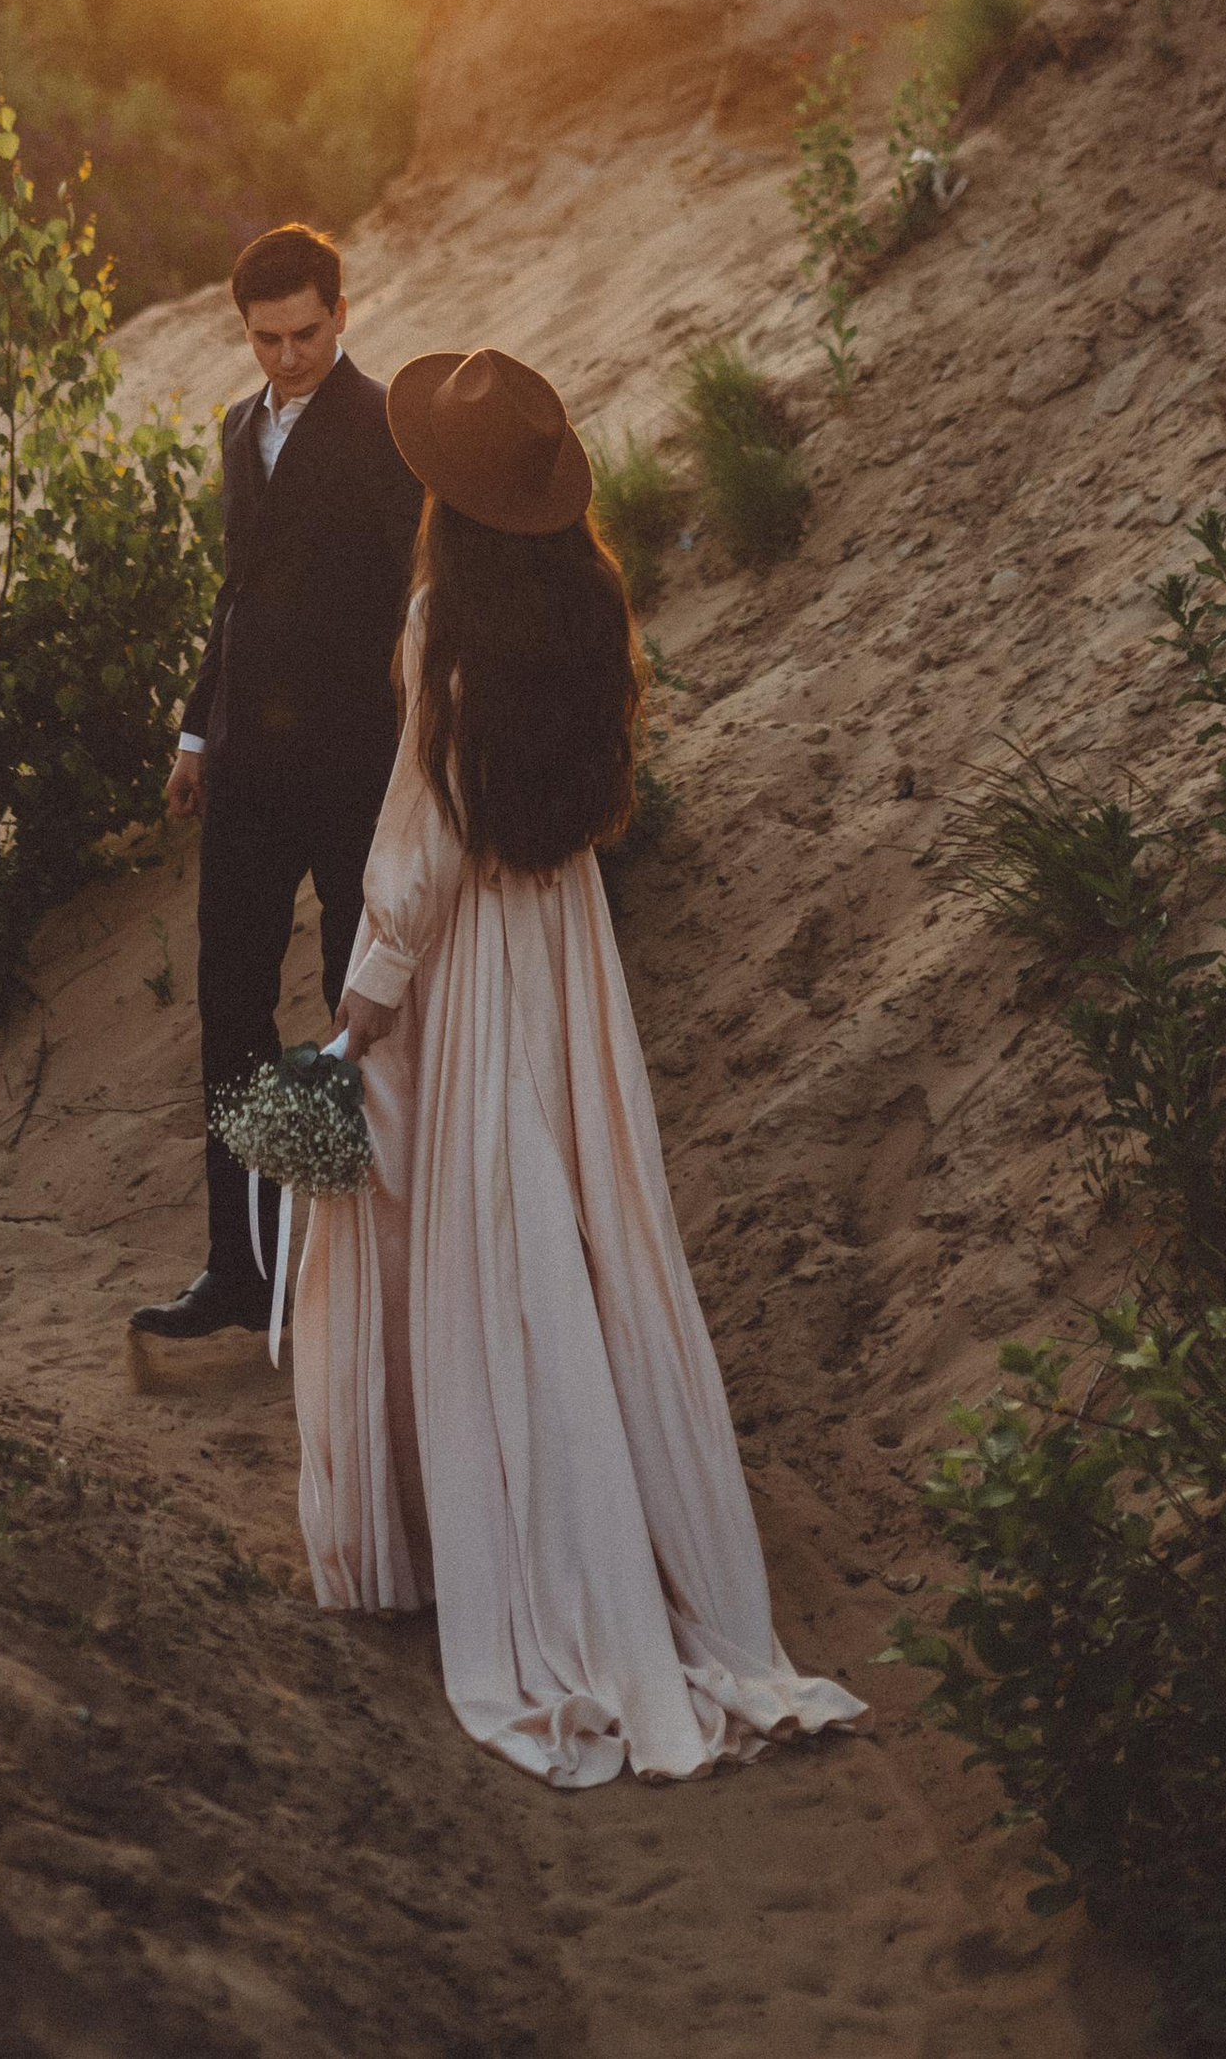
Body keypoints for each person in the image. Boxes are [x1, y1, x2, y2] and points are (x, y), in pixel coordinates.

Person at [294, 342, 864, 1786]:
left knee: (504, 1234)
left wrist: (358, 1005)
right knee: (588, 1214)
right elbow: (594, 796)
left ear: (443, 493)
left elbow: (420, 844)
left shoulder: (442, 620)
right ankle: (634, 1539)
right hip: (570, 943)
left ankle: (538, 1556)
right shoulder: (593, 599)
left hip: (484, 956)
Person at [131, 223, 424, 1343]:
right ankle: (243, 1269)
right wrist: (198, 733)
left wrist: (413, 753)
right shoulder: (234, 424)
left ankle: (370, 1281)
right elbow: (234, 595)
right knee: (229, 1012)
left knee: (360, 1018)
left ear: (341, 314)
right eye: (267, 338)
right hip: (247, 769)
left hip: (355, 769)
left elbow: (413, 601)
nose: (288, 357)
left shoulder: (386, 425)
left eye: (306, 333)